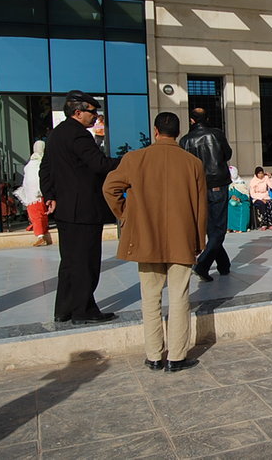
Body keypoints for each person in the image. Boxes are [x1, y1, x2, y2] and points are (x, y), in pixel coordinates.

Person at [103, 112, 206, 373]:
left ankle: (153, 356)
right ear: (179, 133)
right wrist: (199, 239)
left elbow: (110, 188)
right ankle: (177, 357)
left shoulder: (134, 159)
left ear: (156, 131)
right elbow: (201, 208)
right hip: (182, 239)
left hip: (147, 238)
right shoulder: (192, 163)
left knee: (150, 297)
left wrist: (126, 215)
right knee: (180, 296)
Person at [39, 90, 120, 324]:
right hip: (83, 210)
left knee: (70, 262)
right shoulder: (80, 136)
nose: (95, 117)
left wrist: (50, 195)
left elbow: (45, 169)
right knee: (86, 262)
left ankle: (63, 309)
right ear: (78, 112)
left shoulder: (55, 135)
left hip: (65, 209)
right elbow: (99, 164)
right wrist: (129, 161)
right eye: (92, 112)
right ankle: (83, 311)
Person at [179, 107, 233, 282]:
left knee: (212, 228)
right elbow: (228, 154)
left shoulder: (185, 140)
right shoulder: (217, 134)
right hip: (217, 185)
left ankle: (224, 265)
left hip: (198, 187)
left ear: (192, 120)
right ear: (206, 118)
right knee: (218, 230)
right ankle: (202, 264)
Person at [14, 140, 51, 247]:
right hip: (39, 192)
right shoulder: (41, 161)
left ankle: (40, 236)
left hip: (33, 193)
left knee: (36, 214)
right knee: (41, 213)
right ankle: (41, 228)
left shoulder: (33, 162)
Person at [227, 166, 250, 233]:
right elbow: (225, 194)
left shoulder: (241, 183)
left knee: (243, 207)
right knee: (228, 207)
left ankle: (239, 227)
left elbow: (246, 196)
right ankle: (229, 227)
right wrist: (231, 197)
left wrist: (239, 198)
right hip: (230, 201)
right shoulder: (227, 183)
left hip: (242, 202)